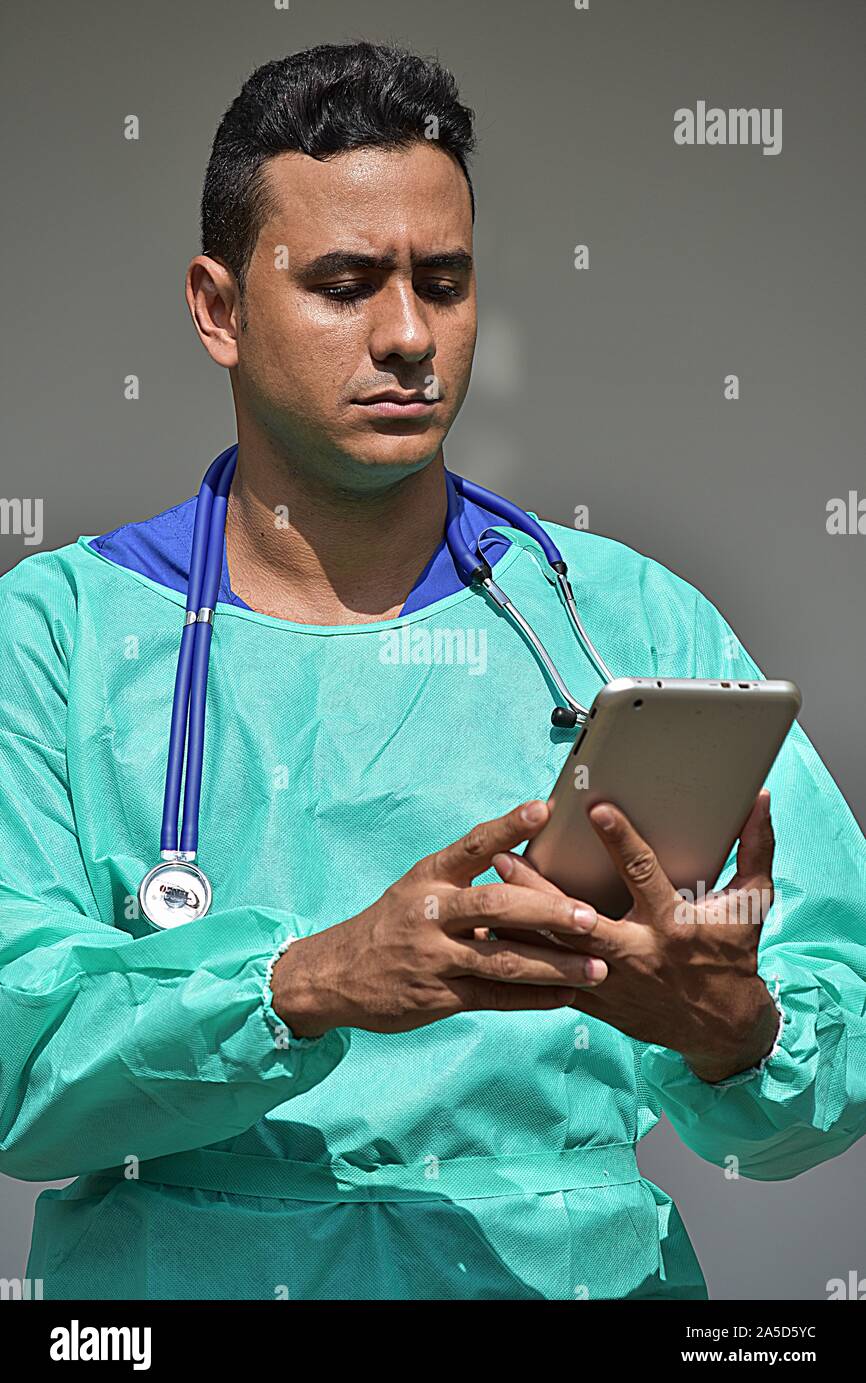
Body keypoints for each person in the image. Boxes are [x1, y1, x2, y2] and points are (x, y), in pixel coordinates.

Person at [1, 41, 864, 1302]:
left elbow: (826, 1049)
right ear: (218, 307)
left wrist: (735, 1035)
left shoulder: (626, 618)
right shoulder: (58, 635)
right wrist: (307, 983)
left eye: (443, 283)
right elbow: (15, 1074)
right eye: (345, 284)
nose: (408, 336)